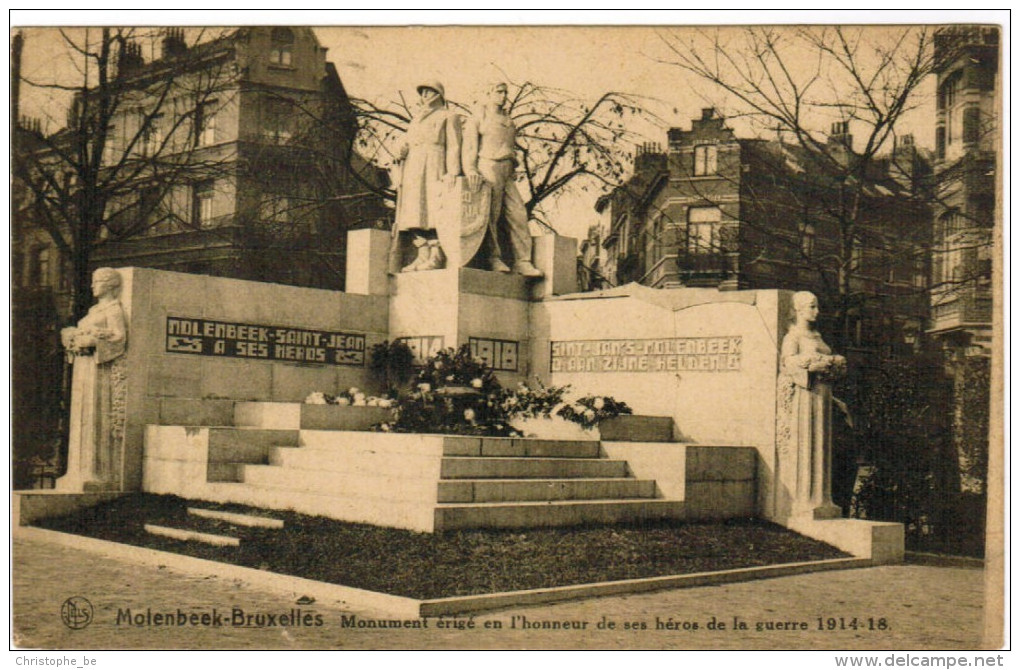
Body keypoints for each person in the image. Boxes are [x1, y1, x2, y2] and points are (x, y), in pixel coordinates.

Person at [462, 83, 543, 277]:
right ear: (488, 93)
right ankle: (493, 257)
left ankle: (522, 261)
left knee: (518, 214)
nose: (504, 96)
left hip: (507, 171)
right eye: (499, 92)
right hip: (488, 166)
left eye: (505, 92)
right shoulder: (478, 118)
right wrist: (471, 169)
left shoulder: (509, 120)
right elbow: (470, 148)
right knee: (491, 214)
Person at [57, 268, 128, 491]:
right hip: (83, 369)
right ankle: (76, 471)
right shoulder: (94, 309)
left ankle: (96, 473)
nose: (92, 286)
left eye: (97, 282)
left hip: (98, 372)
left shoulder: (114, 309)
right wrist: (72, 338)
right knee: (80, 415)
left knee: (93, 415)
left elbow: (119, 338)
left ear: (109, 285)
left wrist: (93, 342)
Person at [777, 291, 845, 519]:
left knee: (822, 445)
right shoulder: (793, 336)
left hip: (823, 397)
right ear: (799, 309)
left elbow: (829, 360)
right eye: (812, 307)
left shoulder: (817, 336)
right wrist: (810, 366)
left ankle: (823, 500)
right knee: (808, 444)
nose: (816, 311)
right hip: (806, 398)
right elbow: (787, 363)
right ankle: (805, 502)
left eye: (816, 307)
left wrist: (835, 362)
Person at [392, 80, 462, 272]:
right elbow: (407, 141)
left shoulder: (449, 116)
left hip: (435, 164)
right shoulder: (416, 119)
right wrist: (401, 149)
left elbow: (454, 145)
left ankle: (436, 255)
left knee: (434, 212)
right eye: (422, 92)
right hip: (414, 167)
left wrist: (452, 172)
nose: (424, 96)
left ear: (438, 94)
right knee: (414, 213)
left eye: (428, 91)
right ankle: (422, 254)